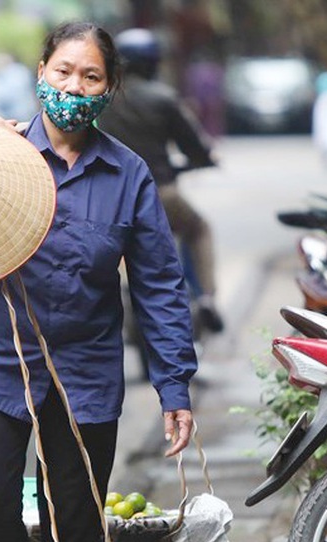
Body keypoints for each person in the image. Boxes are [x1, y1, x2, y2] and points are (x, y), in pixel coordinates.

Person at [0, 21, 198, 542]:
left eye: (90, 77)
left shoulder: (128, 175)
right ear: (40, 73)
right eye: (63, 72)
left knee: (76, 532)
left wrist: (173, 384)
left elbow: (158, 283)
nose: (74, 87)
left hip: (85, 369)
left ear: (109, 88)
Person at [96, 27, 225, 334]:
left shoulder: (103, 99)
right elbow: (194, 146)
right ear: (154, 63)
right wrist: (204, 159)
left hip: (111, 195)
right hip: (161, 193)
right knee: (198, 229)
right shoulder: (164, 98)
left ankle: (121, 297)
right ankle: (206, 297)